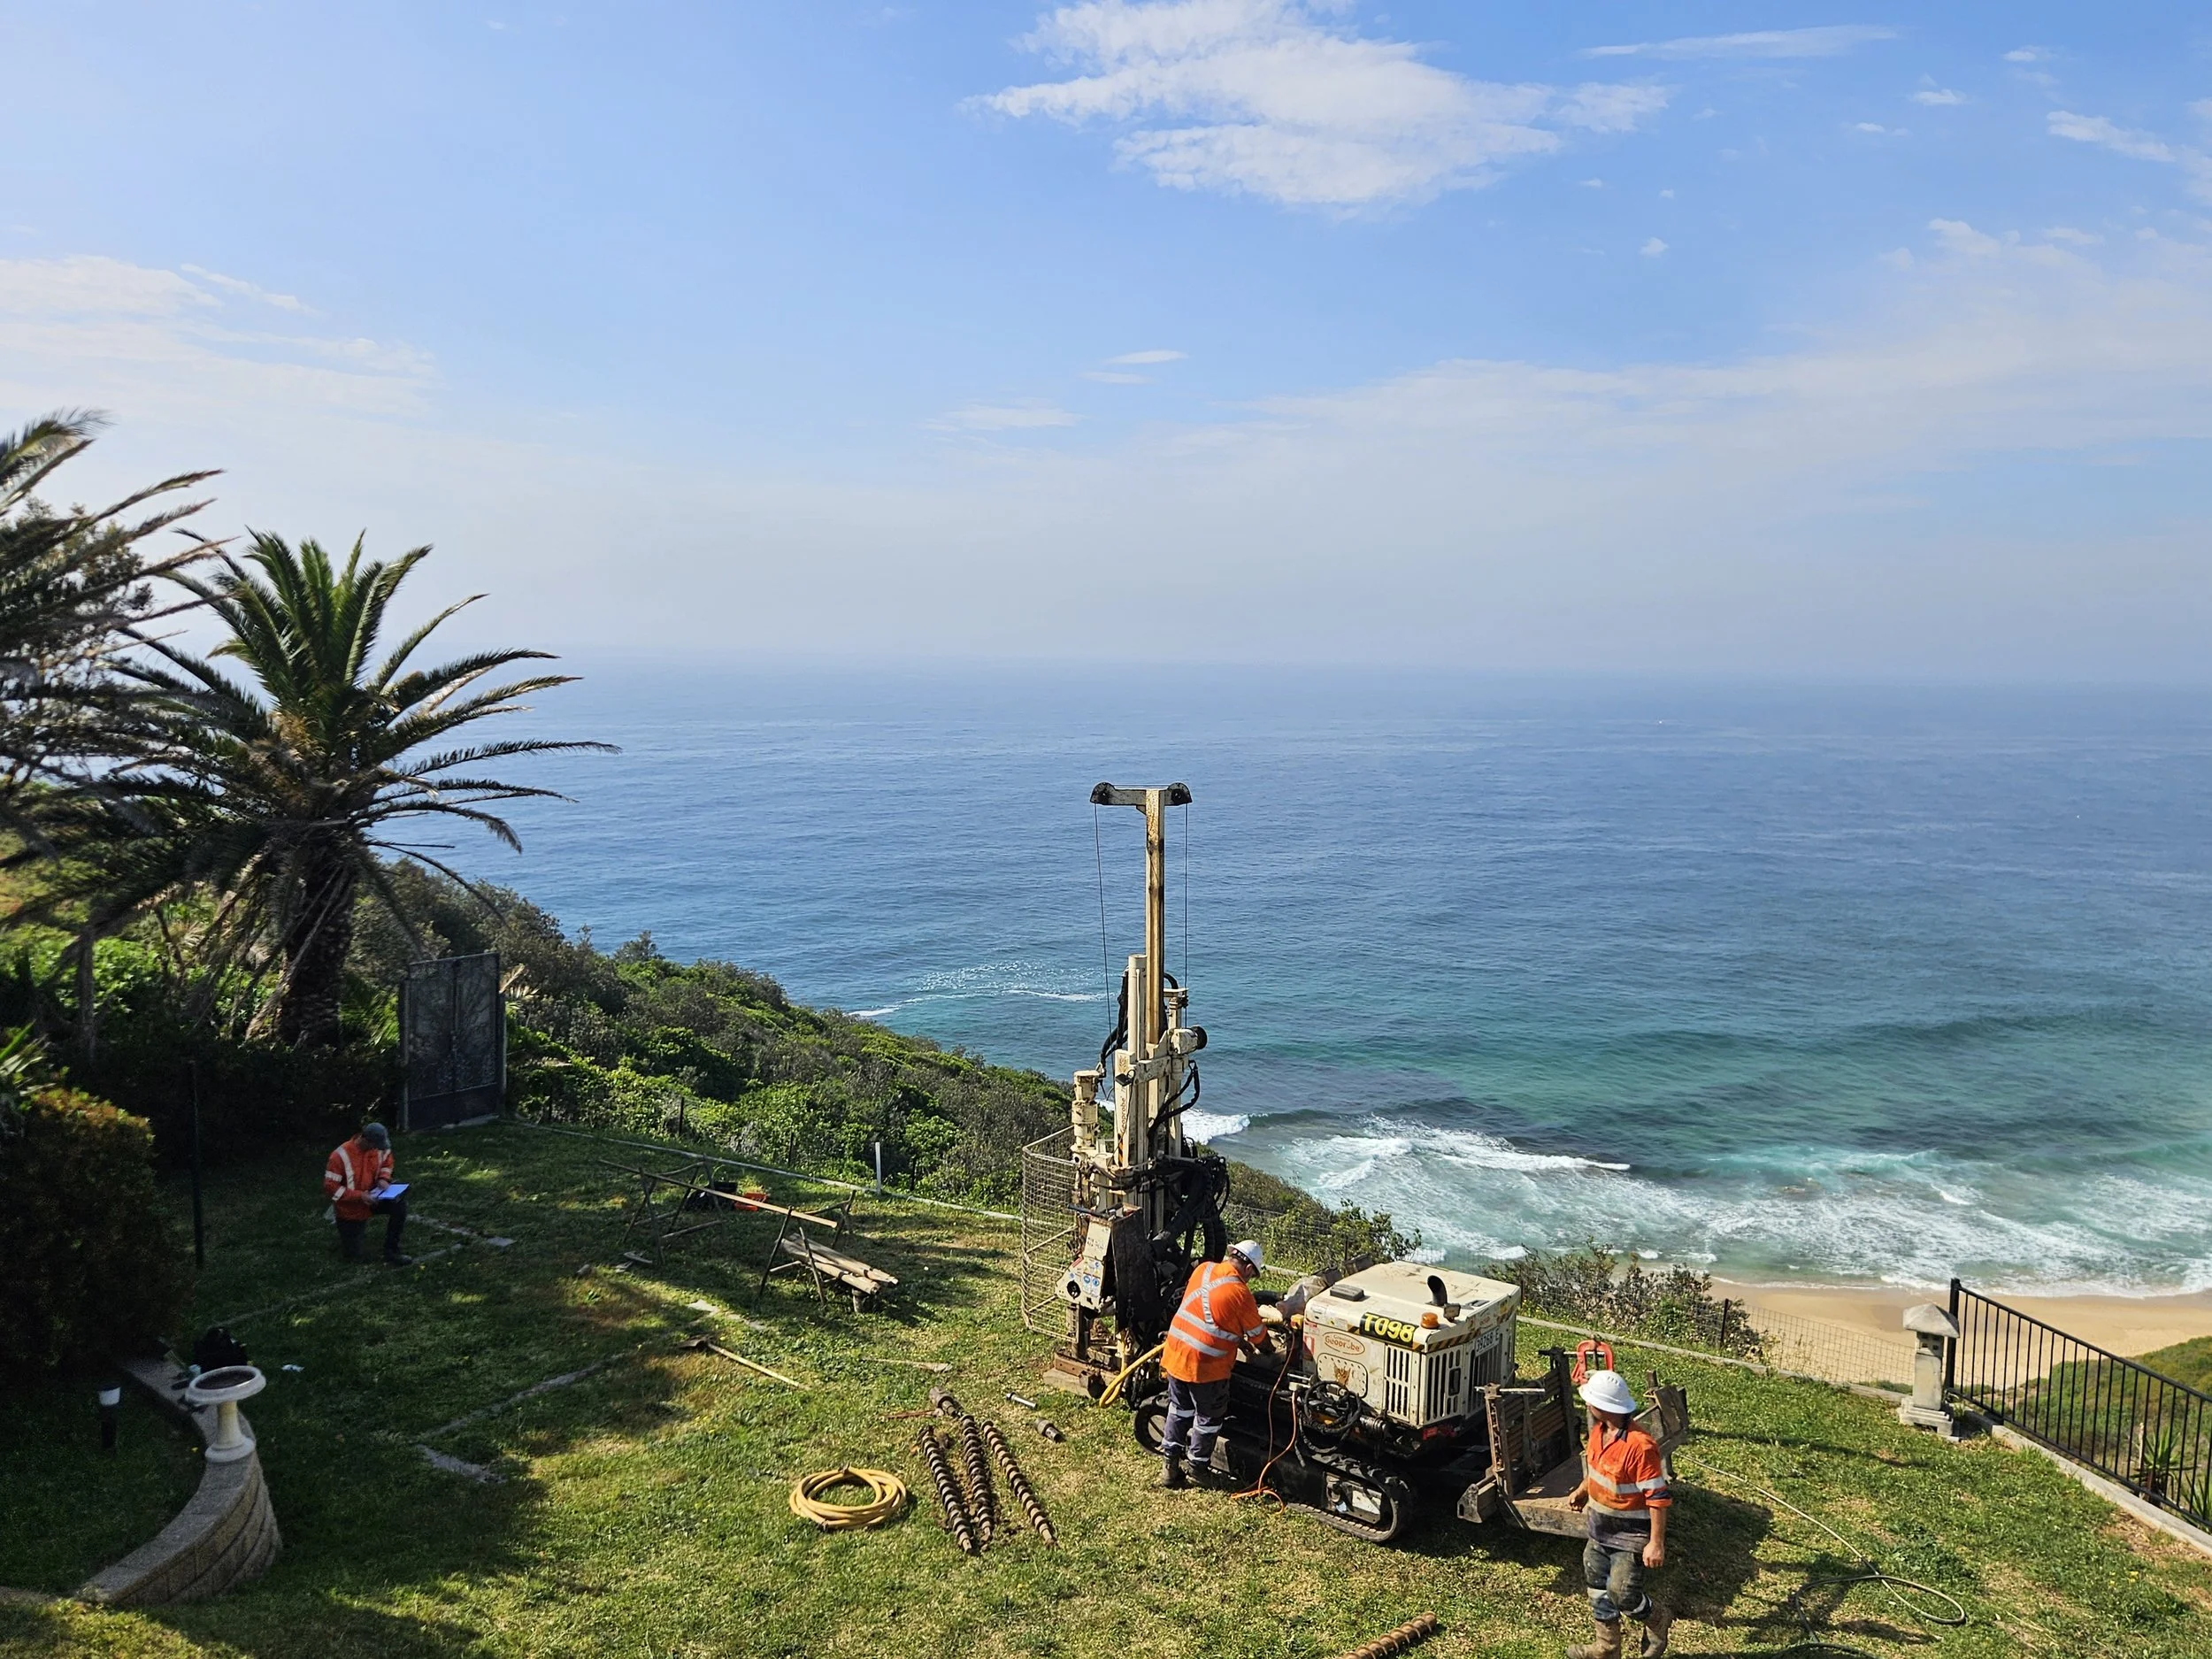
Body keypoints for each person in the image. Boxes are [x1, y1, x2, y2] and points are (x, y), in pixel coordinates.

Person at [1564, 1368, 1674, 1659]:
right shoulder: (1599, 1432)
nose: (1587, 1405)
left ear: (1604, 1407)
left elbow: (1658, 1498)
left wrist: (1656, 1543)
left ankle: (1657, 1618)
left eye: (1590, 1401)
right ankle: (1607, 1649)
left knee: (1622, 1592)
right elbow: (1600, 1470)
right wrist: (1583, 1489)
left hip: (1630, 1534)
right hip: (1599, 1528)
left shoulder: (1640, 1447)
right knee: (1597, 1584)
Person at [1158, 1238, 1272, 1487]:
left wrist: (1236, 1338)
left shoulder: (1204, 1268)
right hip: (1205, 1367)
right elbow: (1260, 1338)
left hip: (1176, 1353)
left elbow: (1209, 1313)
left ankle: (1169, 1467)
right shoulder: (1241, 1293)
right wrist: (1270, 1352)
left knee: (1179, 1409)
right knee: (1208, 1418)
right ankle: (1198, 1469)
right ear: (1250, 1269)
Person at [325, 1121, 413, 1266]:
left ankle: (392, 1250)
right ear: (366, 1140)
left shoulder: (379, 1149)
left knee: (399, 1207)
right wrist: (360, 1196)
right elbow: (331, 1188)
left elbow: (387, 1162)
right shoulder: (339, 1156)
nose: (377, 1149)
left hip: (374, 1197)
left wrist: (383, 1179)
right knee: (354, 1256)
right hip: (351, 1209)